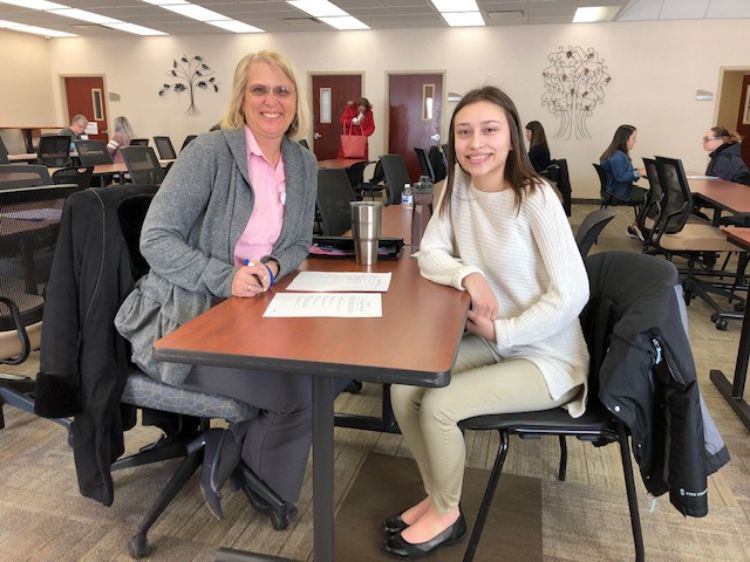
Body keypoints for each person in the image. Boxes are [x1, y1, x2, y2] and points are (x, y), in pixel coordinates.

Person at [383, 86, 589, 558]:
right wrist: (469, 273)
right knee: (403, 388)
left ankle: (447, 514)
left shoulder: (535, 197)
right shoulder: (457, 189)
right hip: (498, 345)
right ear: (453, 141)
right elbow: (429, 253)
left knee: (438, 405)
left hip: (549, 356)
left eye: (490, 130)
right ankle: (439, 497)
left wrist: (507, 331)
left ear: (513, 138)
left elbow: (574, 292)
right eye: (464, 132)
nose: (476, 143)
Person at [115, 49, 317, 521]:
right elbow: (155, 239)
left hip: (253, 314)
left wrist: (268, 269)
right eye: (259, 89)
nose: (272, 101)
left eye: (282, 90)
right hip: (182, 323)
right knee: (296, 397)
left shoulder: (301, 162)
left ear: (295, 101)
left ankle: (231, 449)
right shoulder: (209, 153)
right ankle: (271, 494)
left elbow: (299, 241)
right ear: (241, 99)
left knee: (321, 375)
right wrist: (226, 278)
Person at [599, 124, 648, 239]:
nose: (635, 141)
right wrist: (639, 173)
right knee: (653, 197)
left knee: (651, 196)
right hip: (620, 192)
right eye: (633, 138)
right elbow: (621, 177)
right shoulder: (617, 156)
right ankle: (639, 227)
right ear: (625, 139)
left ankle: (637, 226)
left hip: (616, 189)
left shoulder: (615, 154)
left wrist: (637, 171)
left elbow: (624, 174)